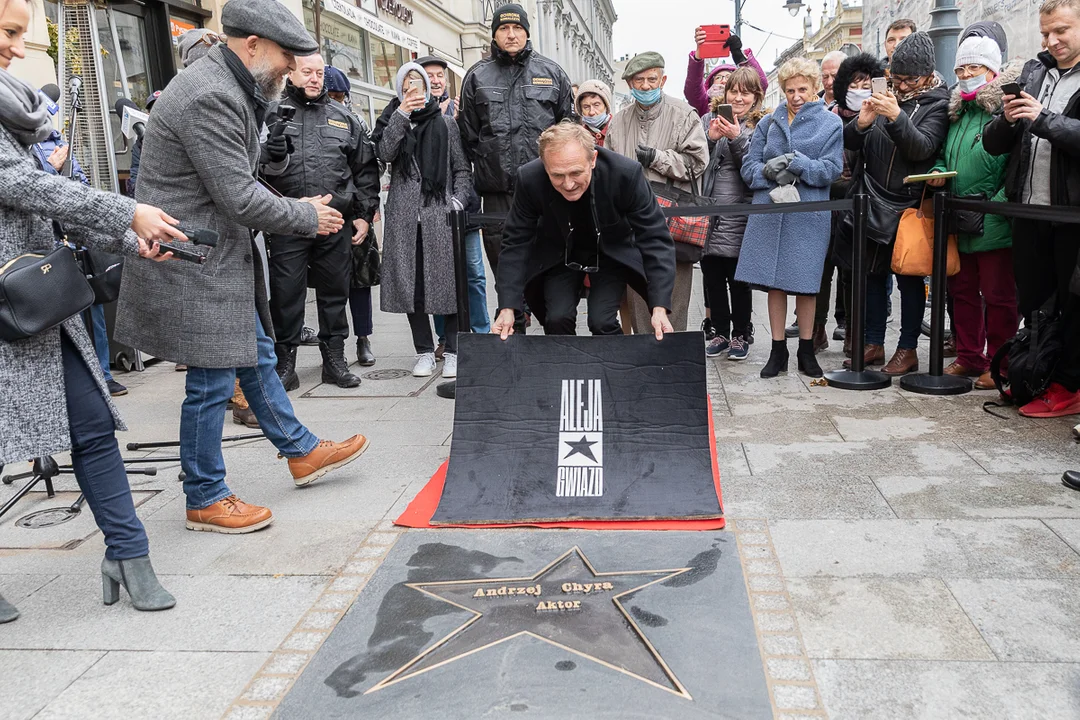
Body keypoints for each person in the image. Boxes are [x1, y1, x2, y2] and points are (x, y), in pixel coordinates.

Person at [115, 0, 370, 534]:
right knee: (210, 382)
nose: (290, 68)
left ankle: (299, 450)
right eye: (285, 56)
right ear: (252, 45)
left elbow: (240, 180)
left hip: (213, 254)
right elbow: (237, 196)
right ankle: (205, 496)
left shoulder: (229, 83)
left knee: (254, 354)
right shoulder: (211, 94)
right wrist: (306, 215)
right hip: (194, 256)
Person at [0, 0, 186, 618]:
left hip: (37, 301)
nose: (17, 48)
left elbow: (55, 200)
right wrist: (127, 212)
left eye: (22, 34)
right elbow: (25, 185)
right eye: (8, 32)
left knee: (94, 426)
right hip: (11, 304)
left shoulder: (12, 112)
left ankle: (128, 556)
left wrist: (132, 239)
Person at [983, 0, 1080, 418]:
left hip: (1071, 216)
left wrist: (1042, 119)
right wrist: (1006, 120)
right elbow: (993, 144)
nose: (1051, 40)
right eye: (1044, 33)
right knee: (1035, 303)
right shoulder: (1035, 71)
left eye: (1061, 30)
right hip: (1029, 210)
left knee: (1075, 305)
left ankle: (1070, 385)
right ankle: (1037, 374)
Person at [261, 53, 379, 390]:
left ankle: (334, 360)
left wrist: (362, 216)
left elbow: (365, 171)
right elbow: (254, 169)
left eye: (319, 73)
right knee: (286, 295)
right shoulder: (271, 113)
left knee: (334, 293)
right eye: (307, 72)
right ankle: (286, 364)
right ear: (291, 73)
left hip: (334, 221)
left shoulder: (345, 118)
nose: (314, 78)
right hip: (287, 221)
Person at [493, 122, 676, 339]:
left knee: (602, 321)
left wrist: (659, 307)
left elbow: (654, 237)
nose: (568, 184)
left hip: (609, 251)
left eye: (575, 173)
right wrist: (507, 307)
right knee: (557, 318)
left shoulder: (626, 174)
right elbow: (516, 242)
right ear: (544, 166)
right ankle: (565, 368)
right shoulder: (529, 178)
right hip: (559, 252)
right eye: (557, 176)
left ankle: (614, 368)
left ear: (593, 160)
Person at [458, 3, 574, 333]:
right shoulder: (477, 76)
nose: (511, 34)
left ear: (526, 32)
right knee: (508, 281)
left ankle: (558, 343)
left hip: (548, 192)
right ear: (494, 34)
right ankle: (517, 348)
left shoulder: (551, 73)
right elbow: (468, 135)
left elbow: (569, 130)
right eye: (504, 29)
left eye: (517, 28)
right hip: (498, 196)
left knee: (552, 275)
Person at [840, 32, 950, 375]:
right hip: (870, 198)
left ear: (928, 76)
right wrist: (861, 122)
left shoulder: (938, 104)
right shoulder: (886, 95)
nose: (900, 86)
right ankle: (873, 341)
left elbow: (922, 148)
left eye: (908, 80)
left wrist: (896, 116)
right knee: (872, 276)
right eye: (895, 78)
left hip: (907, 205)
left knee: (909, 279)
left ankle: (907, 348)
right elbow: (851, 144)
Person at [734, 57, 844, 379]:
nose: (796, 96)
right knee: (774, 286)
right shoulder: (767, 124)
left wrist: (799, 164)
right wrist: (767, 174)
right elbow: (749, 168)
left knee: (807, 286)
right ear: (783, 90)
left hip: (808, 214)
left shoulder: (830, 123)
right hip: (771, 212)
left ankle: (806, 351)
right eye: (790, 90)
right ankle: (777, 350)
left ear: (813, 88)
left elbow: (831, 169)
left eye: (802, 89)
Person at [926, 37, 1020, 391]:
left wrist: (994, 205)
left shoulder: (1002, 111)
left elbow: (1013, 165)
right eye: (960, 69)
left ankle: (1001, 361)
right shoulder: (957, 113)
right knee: (961, 292)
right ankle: (969, 355)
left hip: (992, 216)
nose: (966, 75)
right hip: (957, 215)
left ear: (992, 71)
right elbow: (943, 154)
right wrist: (937, 171)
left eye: (974, 67)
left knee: (998, 297)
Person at [30, 90, 129, 397]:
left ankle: (102, 374)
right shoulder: (22, 147)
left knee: (93, 308)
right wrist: (51, 168)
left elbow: (79, 188)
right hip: (40, 254)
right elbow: (30, 189)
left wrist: (65, 171)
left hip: (72, 243)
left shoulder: (58, 141)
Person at [377, 63, 472, 379]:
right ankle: (424, 352)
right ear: (400, 89)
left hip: (439, 215)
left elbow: (461, 169)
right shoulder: (395, 120)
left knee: (450, 286)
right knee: (411, 287)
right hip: (404, 218)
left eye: (418, 83)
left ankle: (455, 351)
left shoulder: (446, 124)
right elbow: (386, 153)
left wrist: (456, 201)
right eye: (407, 85)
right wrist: (401, 114)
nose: (413, 90)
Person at [606, 51, 709, 334]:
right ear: (630, 84)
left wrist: (657, 158)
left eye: (653, 79)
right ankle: (644, 362)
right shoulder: (619, 121)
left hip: (672, 223)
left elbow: (698, 163)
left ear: (663, 79)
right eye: (640, 80)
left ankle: (672, 362)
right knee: (638, 298)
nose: (647, 86)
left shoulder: (684, 114)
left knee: (673, 301)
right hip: (632, 223)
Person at [417, 55, 490, 345]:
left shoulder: (461, 111)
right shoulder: (413, 114)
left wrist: (458, 120)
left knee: (473, 273)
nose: (435, 80)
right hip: (432, 211)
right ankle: (444, 339)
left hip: (464, 208)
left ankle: (481, 333)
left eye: (439, 76)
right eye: (429, 75)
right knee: (438, 276)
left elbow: (472, 155)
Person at [700, 67, 764, 361]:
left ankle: (741, 333)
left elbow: (755, 171)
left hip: (741, 211)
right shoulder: (707, 120)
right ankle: (720, 331)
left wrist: (737, 138)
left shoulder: (761, 126)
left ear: (755, 97)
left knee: (739, 280)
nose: (738, 98)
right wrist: (711, 141)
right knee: (712, 277)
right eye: (733, 91)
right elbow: (697, 164)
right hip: (711, 211)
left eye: (745, 93)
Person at [830, 52, 885, 356]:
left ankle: (866, 335)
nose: (861, 89)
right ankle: (848, 331)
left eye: (867, 83)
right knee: (845, 272)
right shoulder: (834, 117)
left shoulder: (886, 115)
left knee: (869, 275)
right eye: (854, 84)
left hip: (875, 205)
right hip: (839, 204)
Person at [684, 29, 768, 118]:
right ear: (710, 83)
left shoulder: (746, 101)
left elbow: (759, 84)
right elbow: (693, 90)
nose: (724, 81)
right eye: (718, 77)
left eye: (728, 77)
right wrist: (698, 56)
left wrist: (739, 57)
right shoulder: (705, 103)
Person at [576, 79, 612, 147]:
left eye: (596, 105)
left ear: (606, 107)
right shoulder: (578, 136)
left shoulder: (620, 129)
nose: (591, 112)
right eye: (586, 107)